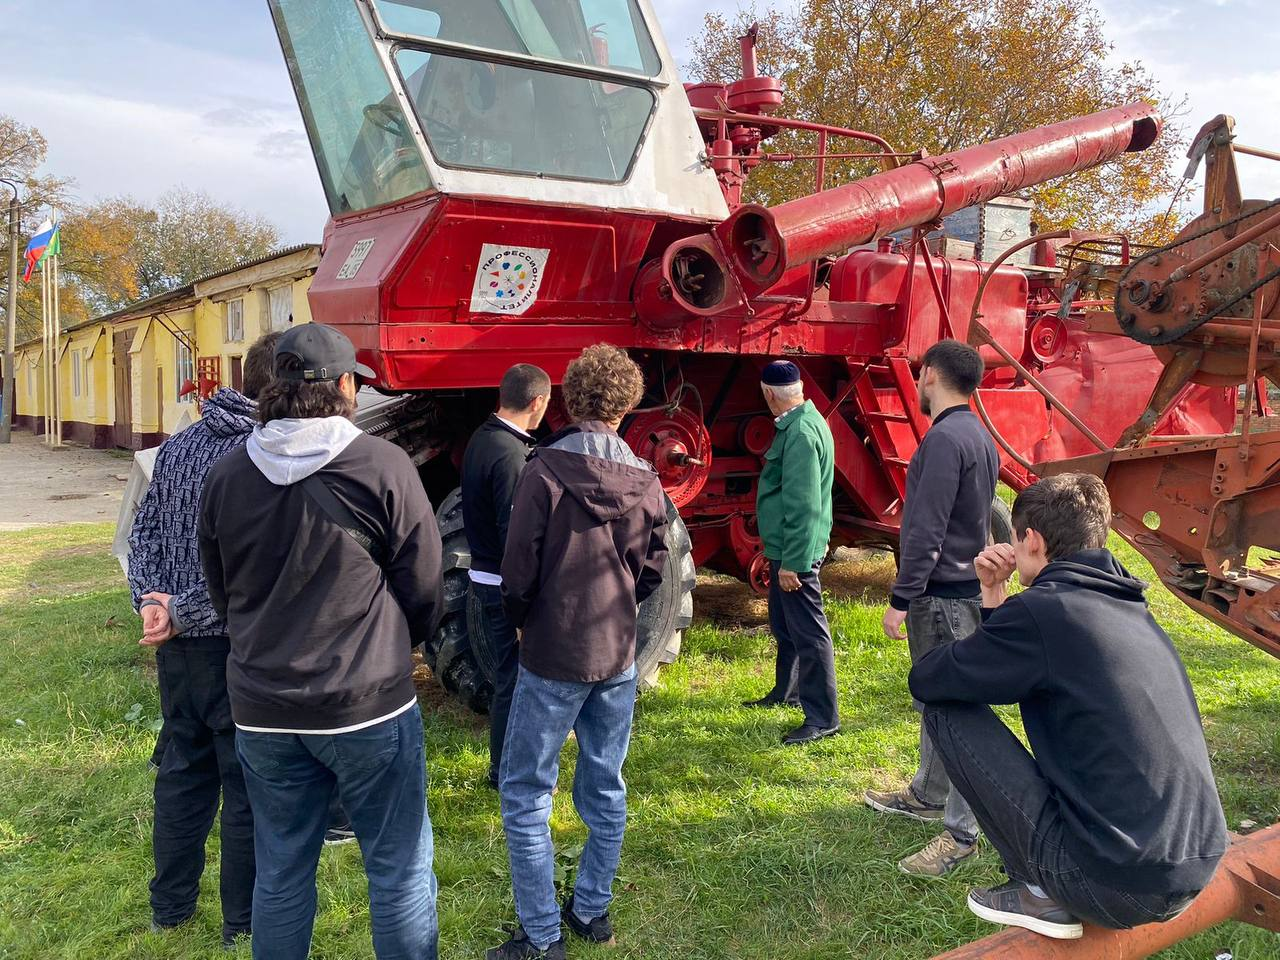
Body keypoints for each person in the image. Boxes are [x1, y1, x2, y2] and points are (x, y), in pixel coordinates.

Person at [198, 323, 444, 960]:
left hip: (262, 708)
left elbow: (220, 589)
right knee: (398, 869)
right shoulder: (382, 464)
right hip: (367, 705)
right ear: (344, 387)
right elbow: (423, 583)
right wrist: (393, 649)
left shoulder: (226, 475)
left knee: (280, 872)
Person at [910, 473, 1227, 939]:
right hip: (1194, 862)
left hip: (1116, 885)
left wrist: (993, 597)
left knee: (943, 710)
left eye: (1015, 540)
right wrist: (996, 597)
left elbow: (932, 679)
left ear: (1031, 540)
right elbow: (1010, 667)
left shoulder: (1046, 612)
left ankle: (1038, 888)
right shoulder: (1127, 605)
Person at [489, 344, 668, 960]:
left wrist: (520, 619)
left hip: (551, 650)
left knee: (527, 791)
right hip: (615, 651)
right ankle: (590, 909)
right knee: (605, 783)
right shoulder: (647, 482)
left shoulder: (543, 471)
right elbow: (654, 570)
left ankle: (542, 937)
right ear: (627, 405)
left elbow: (518, 569)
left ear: (570, 397)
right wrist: (623, 607)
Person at [128, 331, 280, 950]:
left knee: (182, 774)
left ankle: (170, 907)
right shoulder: (261, 457)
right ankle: (239, 920)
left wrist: (152, 603)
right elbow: (248, 567)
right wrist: (180, 609)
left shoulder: (176, 447)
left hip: (179, 648)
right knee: (242, 784)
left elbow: (143, 536)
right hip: (234, 644)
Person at [865, 339, 998, 876]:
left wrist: (901, 598)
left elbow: (925, 530)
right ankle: (927, 794)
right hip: (962, 594)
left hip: (941, 599)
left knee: (956, 714)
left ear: (930, 377)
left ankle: (960, 836)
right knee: (941, 705)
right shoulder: (978, 436)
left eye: (921, 375)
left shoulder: (943, 441)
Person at [461, 363, 551, 788]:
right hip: (503, 583)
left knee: (508, 678)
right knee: (515, 682)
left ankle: (506, 766)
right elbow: (514, 534)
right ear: (537, 402)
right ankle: (506, 770)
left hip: (483, 575)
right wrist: (523, 601)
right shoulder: (513, 455)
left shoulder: (483, 438)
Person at [742, 359, 839, 746]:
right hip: (787, 549)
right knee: (786, 627)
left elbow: (803, 505)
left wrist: (794, 564)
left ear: (768, 394)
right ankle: (788, 691)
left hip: (796, 555)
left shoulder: (799, 433)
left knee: (810, 635)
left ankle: (823, 718)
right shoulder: (808, 420)